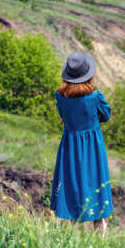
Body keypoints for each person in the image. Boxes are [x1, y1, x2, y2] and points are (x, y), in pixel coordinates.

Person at [50, 52, 113, 235]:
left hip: (69, 146)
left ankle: (71, 235)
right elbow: (106, 115)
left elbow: (64, 117)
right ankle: (99, 236)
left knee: (72, 185)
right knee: (96, 186)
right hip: (92, 147)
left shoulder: (60, 96)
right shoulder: (95, 96)